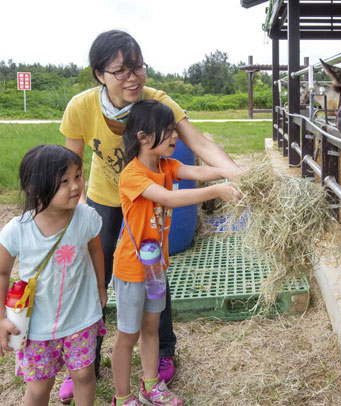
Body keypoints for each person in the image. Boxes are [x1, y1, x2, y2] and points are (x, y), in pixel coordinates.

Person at [60, 29, 240, 403]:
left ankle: (161, 357)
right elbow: (71, 164)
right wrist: (74, 216)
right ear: (99, 75)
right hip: (106, 199)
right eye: (120, 70)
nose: (132, 77)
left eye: (137, 66)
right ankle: (84, 364)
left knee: (155, 277)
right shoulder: (81, 106)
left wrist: (238, 174)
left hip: (149, 206)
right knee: (94, 280)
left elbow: (201, 145)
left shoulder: (157, 103)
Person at [111, 100, 238, 406]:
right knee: (128, 336)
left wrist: (233, 172)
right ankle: (121, 396)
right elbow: (169, 197)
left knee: (152, 328)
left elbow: (198, 170)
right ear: (143, 137)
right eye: (167, 131)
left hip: (157, 267)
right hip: (131, 270)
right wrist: (217, 191)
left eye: (174, 130)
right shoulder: (133, 175)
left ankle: (151, 386)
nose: (174, 137)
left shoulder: (167, 165)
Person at [0, 145, 107, 406]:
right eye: (64, 181)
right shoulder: (18, 230)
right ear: (35, 188)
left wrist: (101, 288)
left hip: (81, 315)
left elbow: (95, 250)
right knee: (39, 387)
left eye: (78, 177)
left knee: (83, 374)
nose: (76, 186)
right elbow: (2, 271)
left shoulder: (86, 218)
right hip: (37, 326)